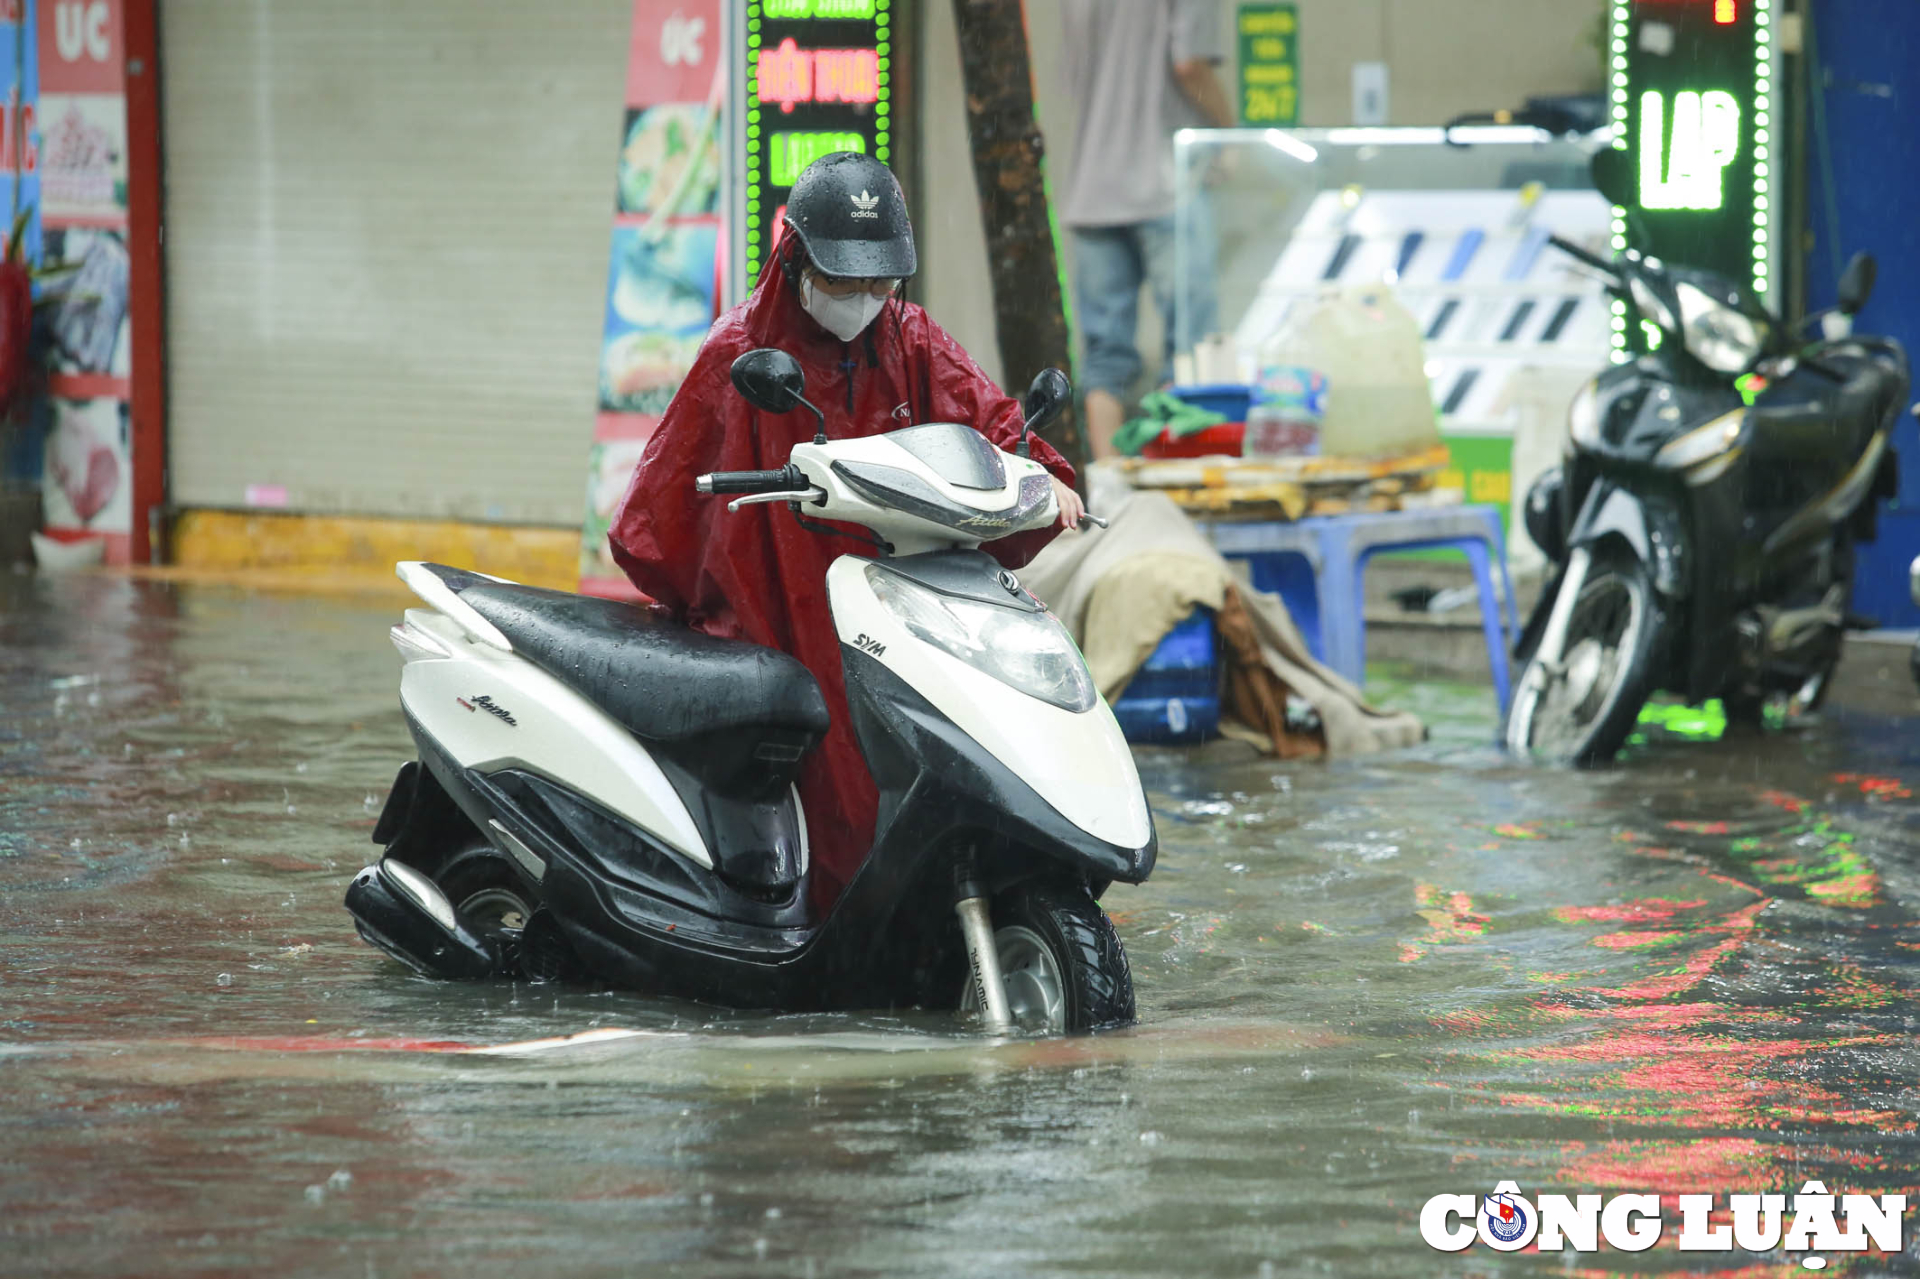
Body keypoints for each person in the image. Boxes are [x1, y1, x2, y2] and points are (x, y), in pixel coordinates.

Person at [608, 152, 1083, 914]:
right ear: (795, 258)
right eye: (844, 280)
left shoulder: (911, 338)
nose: (864, 297)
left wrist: (1042, 473)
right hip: (778, 616)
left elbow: (989, 420)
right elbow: (653, 531)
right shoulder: (735, 356)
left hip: (902, 601)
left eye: (879, 281)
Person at [1060, 0, 1235, 459]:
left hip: (1093, 184)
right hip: (1167, 184)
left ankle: (1107, 486)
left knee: (1104, 354)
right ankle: (1180, 483)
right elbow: (1190, 64)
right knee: (1189, 348)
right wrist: (1229, 132)